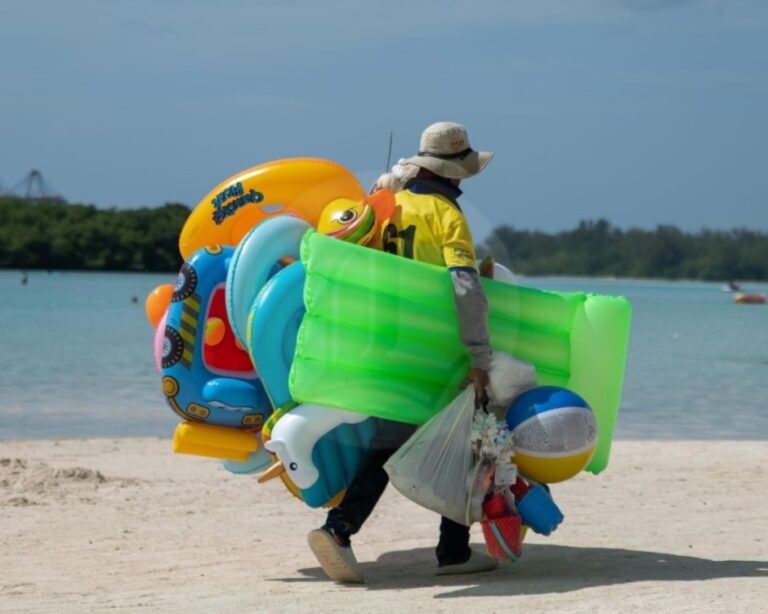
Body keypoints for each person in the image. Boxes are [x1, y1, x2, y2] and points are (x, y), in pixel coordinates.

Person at [308, 122, 496, 583]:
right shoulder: (447, 216)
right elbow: (465, 286)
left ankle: (350, 532)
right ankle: (437, 548)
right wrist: (479, 355)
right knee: (470, 438)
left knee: (389, 441)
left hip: (381, 345)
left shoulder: (385, 206)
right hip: (432, 351)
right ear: (455, 174)